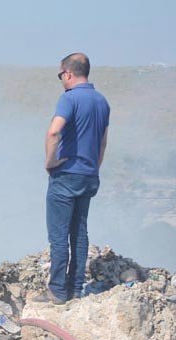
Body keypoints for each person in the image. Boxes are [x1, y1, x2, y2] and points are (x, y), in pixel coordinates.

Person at [36, 52, 110, 305]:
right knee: (79, 233)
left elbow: (54, 131)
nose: (61, 80)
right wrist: (94, 167)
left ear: (67, 73)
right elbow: (102, 142)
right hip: (89, 176)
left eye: (60, 75)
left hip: (66, 175)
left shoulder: (69, 99)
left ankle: (57, 291)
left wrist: (50, 162)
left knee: (58, 235)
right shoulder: (102, 102)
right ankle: (76, 289)